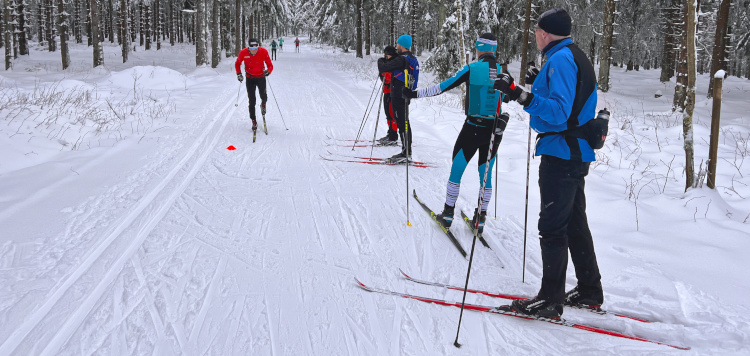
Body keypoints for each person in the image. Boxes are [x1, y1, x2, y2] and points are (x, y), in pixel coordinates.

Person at [493, 8, 603, 319]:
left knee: (553, 227)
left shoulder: (560, 59)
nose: (536, 36)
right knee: (574, 223)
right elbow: (568, 99)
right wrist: (536, 84)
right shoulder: (571, 54)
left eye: (538, 31)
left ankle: (550, 300)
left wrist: (519, 95)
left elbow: (558, 112)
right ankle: (589, 291)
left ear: (545, 33)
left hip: (562, 153)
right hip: (573, 152)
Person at [402, 33, 508, 232]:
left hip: (473, 128)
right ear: (493, 49)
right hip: (494, 131)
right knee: (486, 175)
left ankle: (448, 214)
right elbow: (510, 96)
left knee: (457, 169)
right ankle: (480, 218)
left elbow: (442, 87)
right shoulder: (504, 71)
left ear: (479, 48)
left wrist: (413, 94)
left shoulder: (472, 68)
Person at [377, 34, 419, 163]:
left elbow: (383, 67)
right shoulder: (411, 58)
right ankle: (406, 150)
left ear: (402, 45)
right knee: (404, 122)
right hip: (405, 92)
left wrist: (381, 59)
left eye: (398, 44)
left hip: (399, 93)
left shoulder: (402, 59)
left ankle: (406, 152)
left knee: (402, 122)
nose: (396, 47)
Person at [235, 38, 273, 131]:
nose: (254, 50)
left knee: (263, 96)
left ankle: (263, 104)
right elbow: (237, 63)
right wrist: (239, 74)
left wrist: (268, 71)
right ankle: (254, 120)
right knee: (252, 101)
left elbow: (270, 65)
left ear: (258, 46)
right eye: (252, 48)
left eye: (256, 48)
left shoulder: (263, 51)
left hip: (261, 77)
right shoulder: (243, 52)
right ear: (249, 47)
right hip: (250, 78)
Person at [375, 45, 399, 146]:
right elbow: (383, 77)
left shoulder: (395, 63)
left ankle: (393, 136)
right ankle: (390, 133)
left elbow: (389, 77)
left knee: (392, 115)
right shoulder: (387, 63)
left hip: (392, 93)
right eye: (385, 54)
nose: (385, 56)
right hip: (386, 92)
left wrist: (383, 72)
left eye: (387, 55)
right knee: (388, 115)